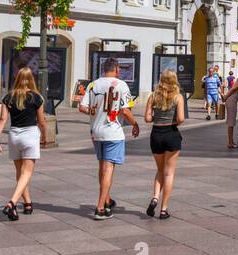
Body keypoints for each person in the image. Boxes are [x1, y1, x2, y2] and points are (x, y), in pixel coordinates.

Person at [77, 61, 139, 219]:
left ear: (104, 70)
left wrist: (92, 111)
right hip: (113, 132)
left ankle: (107, 200)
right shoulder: (122, 85)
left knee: (102, 167)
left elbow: (82, 107)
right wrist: (135, 124)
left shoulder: (93, 85)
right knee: (108, 169)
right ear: (117, 69)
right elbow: (125, 111)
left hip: (96, 132)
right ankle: (100, 207)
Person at [0, 66, 47, 220]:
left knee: (19, 173)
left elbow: (3, 119)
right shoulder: (37, 97)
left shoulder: (8, 97)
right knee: (27, 173)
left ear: (17, 78)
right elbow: (42, 122)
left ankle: (28, 203)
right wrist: (44, 136)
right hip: (30, 134)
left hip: (14, 135)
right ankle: (12, 203)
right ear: (32, 79)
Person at [144, 69, 184, 217]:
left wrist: (157, 118)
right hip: (171, 134)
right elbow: (180, 119)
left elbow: (147, 118)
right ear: (174, 80)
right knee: (169, 173)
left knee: (160, 170)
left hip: (156, 135)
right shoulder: (178, 97)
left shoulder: (153, 96)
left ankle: (155, 197)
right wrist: (171, 121)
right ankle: (163, 209)